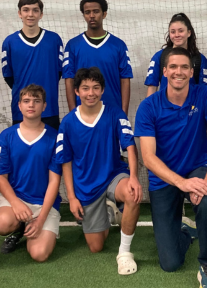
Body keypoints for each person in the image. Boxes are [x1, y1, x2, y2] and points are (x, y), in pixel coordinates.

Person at [135, 47, 207, 288]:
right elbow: (148, 157)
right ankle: (186, 233)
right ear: (164, 71)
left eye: (184, 67)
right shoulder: (148, 107)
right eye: (173, 67)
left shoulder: (206, 96)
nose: (179, 72)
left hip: (195, 169)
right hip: (164, 178)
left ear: (191, 71)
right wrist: (181, 183)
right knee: (170, 263)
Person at [56, 67, 142, 275]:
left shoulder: (114, 113)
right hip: (87, 187)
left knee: (132, 194)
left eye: (96, 87)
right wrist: (72, 197)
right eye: (85, 88)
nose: (91, 93)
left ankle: (124, 252)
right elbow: (65, 161)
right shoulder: (67, 123)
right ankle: (110, 212)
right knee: (96, 247)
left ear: (102, 90)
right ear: (77, 91)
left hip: (114, 176)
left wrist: (133, 178)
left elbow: (130, 146)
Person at [0, 85, 62, 260]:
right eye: (27, 101)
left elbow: (54, 181)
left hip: (43, 205)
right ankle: (19, 227)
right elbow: (1, 177)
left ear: (44, 106)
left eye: (37, 101)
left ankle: (35, 225)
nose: (31, 105)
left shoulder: (55, 137)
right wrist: (15, 203)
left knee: (39, 254)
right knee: (1, 224)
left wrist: (40, 218)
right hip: (16, 201)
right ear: (19, 105)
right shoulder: (6, 136)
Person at [1, 0, 64, 130]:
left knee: (51, 149)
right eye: (26, 10)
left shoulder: (54, 40)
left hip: (49, 109)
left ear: (41, 14)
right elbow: (8, 76)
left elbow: (59, 72)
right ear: (19, 13)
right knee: (22, 150)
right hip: (21, 111)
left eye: (35, 10)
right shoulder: (9, 42)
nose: (30, 14)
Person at [63, 0, 132, 115]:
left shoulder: (118, 45)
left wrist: (124, 114)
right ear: (83, 15)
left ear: (104, 14)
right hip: (83, 113)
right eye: (87, 12)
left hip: (112, 112)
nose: (92, 16)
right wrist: (73, 113)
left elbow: (125, 79)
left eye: (96, 11)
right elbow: (69, 80)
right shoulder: (72, 45)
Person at [145, 13, 207, 96]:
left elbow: (206, 93)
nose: (177, 35)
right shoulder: (159, 57)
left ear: (189, 33)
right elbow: (152, 88)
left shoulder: (201, 60)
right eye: (173, 32)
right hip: (164, 108)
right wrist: (150, 109)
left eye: (181, 31)